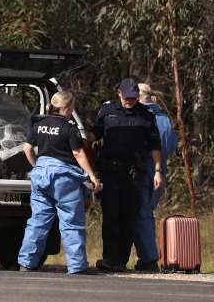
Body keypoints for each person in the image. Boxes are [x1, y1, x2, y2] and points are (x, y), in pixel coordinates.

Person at [17, 91, 102, 275]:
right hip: (64, 179)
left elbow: (27, 149)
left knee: (38, 221)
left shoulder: (39, 125)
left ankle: (26, 263)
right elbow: (79, 154)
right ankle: (77, 266)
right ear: (67, 109)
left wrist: (38, 166)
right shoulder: (69, 128)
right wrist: (92, 176)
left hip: (41, 177)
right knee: (71, 223)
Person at [89, 78, 162, 272]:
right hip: (110, 171)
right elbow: (94, 133)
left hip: (133, 173)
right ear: (119, 93)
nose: (130, 101)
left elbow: (155, 144)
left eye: (134, 98)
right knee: (111, 215)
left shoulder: (146, 115)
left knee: (128, 217)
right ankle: (109, 259)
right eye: (127, 97)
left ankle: (120, 261)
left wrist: (157, 171)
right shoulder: (107, 110)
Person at [133, 83, 179, 271]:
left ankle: (149, 259)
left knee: (141, 215)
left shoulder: (141, 116)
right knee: (147, 214)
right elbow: (172, 144)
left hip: (144, 170)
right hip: (160, 172)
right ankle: (148, 256)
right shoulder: (165, 119)